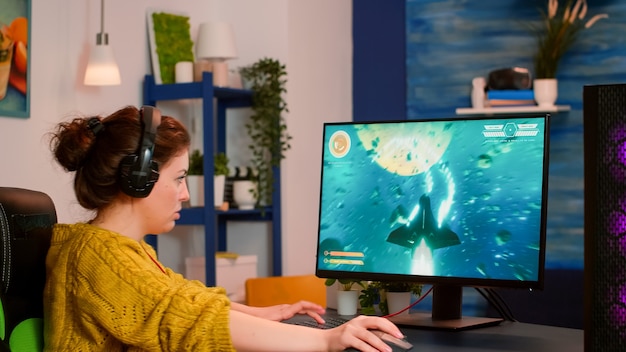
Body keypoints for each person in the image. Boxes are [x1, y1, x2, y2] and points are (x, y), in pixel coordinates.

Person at [44, 105, 404, 352]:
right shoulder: (98, 258)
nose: (185, 194)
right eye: (180, 178)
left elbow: (183, 298)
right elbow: (188, 319)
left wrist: (261, 313)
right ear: (138, 180)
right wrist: (327, 340)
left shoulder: (115, 250)